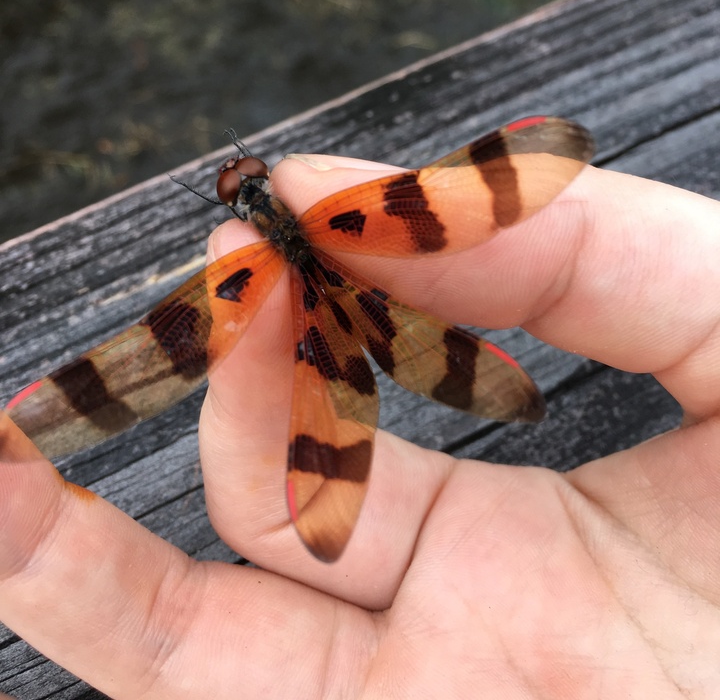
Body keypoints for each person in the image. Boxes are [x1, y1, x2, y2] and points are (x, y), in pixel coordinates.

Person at [1, 153, 718, 699]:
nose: (240, 179)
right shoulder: (327, 218)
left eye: (240, 178)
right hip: (352, 309)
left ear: (246, 210)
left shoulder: (255, 254)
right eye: (241, 179)